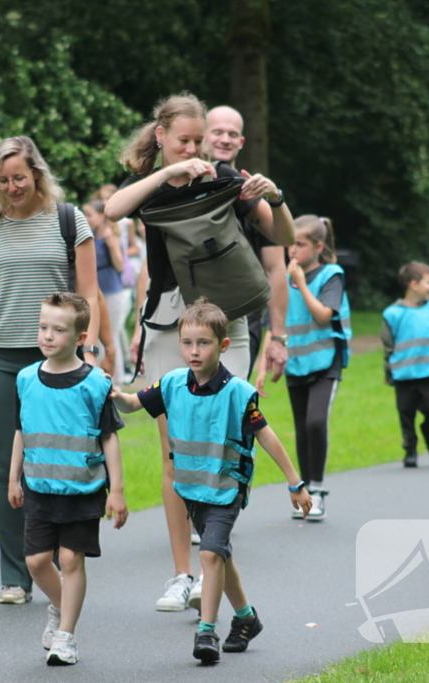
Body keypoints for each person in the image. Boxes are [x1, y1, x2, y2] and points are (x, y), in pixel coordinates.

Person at [106, 93, 293, 612]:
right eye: (183, 140)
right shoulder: (152, 186)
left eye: (199, 139)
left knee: (224, 437)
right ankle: (182, 573)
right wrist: (170, 173)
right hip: (168, 321)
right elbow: (115, 209)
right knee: (176, 447)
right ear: (161, 137)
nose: (194, 148)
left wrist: (274, 197)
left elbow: (283, 235)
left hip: (225, 316)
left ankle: (214, 552)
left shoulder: (225, 180)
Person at [0, 137, 101, 604]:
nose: (12, 187)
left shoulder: (70, 220)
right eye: (3, 180)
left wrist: (90, 349)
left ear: (37, 174)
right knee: (8, 463)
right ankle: (16, 576)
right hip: (0, 357)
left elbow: (90, 292)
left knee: (56, 460)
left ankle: (59, 558)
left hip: (58, 358)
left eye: (19, 178)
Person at [110, 298, 310, 663]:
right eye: (187, 343)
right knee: (220, 556)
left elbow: (266, 436)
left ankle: (206, 632)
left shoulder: (236, 393)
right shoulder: (171, 383)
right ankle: (247, 618)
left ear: (223, 345)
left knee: (207, 553)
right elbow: (132, 404)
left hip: (226, 489)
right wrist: (112, 394)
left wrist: (295, 482)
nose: (194, 350)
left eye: (203, 343)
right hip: (191, 490)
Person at [8, 293, 128, 666]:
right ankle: (61, 606)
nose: (47, 336)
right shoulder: (26, 378)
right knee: (37, 561)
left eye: (58, 330)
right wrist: (13, 479)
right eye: (43, 327)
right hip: (39, 485)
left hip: (84, 487)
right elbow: (21, 431)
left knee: (72, 558)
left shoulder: (95, 384)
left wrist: (118, 491)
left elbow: (109, 436)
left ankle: (66, 636)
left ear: (79, 338)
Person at [204, 105, 293, 383]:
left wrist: (277, 337)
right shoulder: (179, 185)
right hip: (185, 312)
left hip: (242, 314)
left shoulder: (252, 193)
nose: (225, 139)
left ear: (241, 142)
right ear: (202, 135)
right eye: (217, 132)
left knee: (229, 402)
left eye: (232, 134)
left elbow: (276, 269)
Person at [284, 215, 351, 522]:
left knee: (315, 422)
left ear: (318, 246)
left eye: (299, 244)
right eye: (290, 244)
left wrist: (299, 281)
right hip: (296, 363)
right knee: (301, 430)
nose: (292, 250)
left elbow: (324, 314)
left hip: (326, 361)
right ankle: (305, 494)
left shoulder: (331, 275)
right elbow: (277, 321)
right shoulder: (285, 279)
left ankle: (319, 490)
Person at [381, 262, 429, 468]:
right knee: (406, 413)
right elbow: (388, 348)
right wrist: (388, 373)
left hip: (427, 373)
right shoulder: (393, 314)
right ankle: (410, 448)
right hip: (403, 375)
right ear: (414, 285)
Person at [84, 199, 131, 382]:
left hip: (112, 292)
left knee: (109, 338)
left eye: (89, 215)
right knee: (99, 336)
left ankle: (115, 380)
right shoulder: (92, 236)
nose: (86, 219)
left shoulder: (110, 236)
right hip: (98, 292)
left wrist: (112, 246)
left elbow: (119, 266)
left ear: (102, 216)